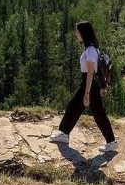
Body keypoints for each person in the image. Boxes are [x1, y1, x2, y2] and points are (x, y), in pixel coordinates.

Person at [49, 21, 118, 152]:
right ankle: (64, 133)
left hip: (89, 84)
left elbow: (91, 72)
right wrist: (100, 88)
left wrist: (87, 94)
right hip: (89, 83)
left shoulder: (91, 50)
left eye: (77, 31)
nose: (76, 34)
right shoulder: (91, 48)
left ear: (82, 33)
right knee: (74, 106)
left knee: (98, 113)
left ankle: (111, 141)